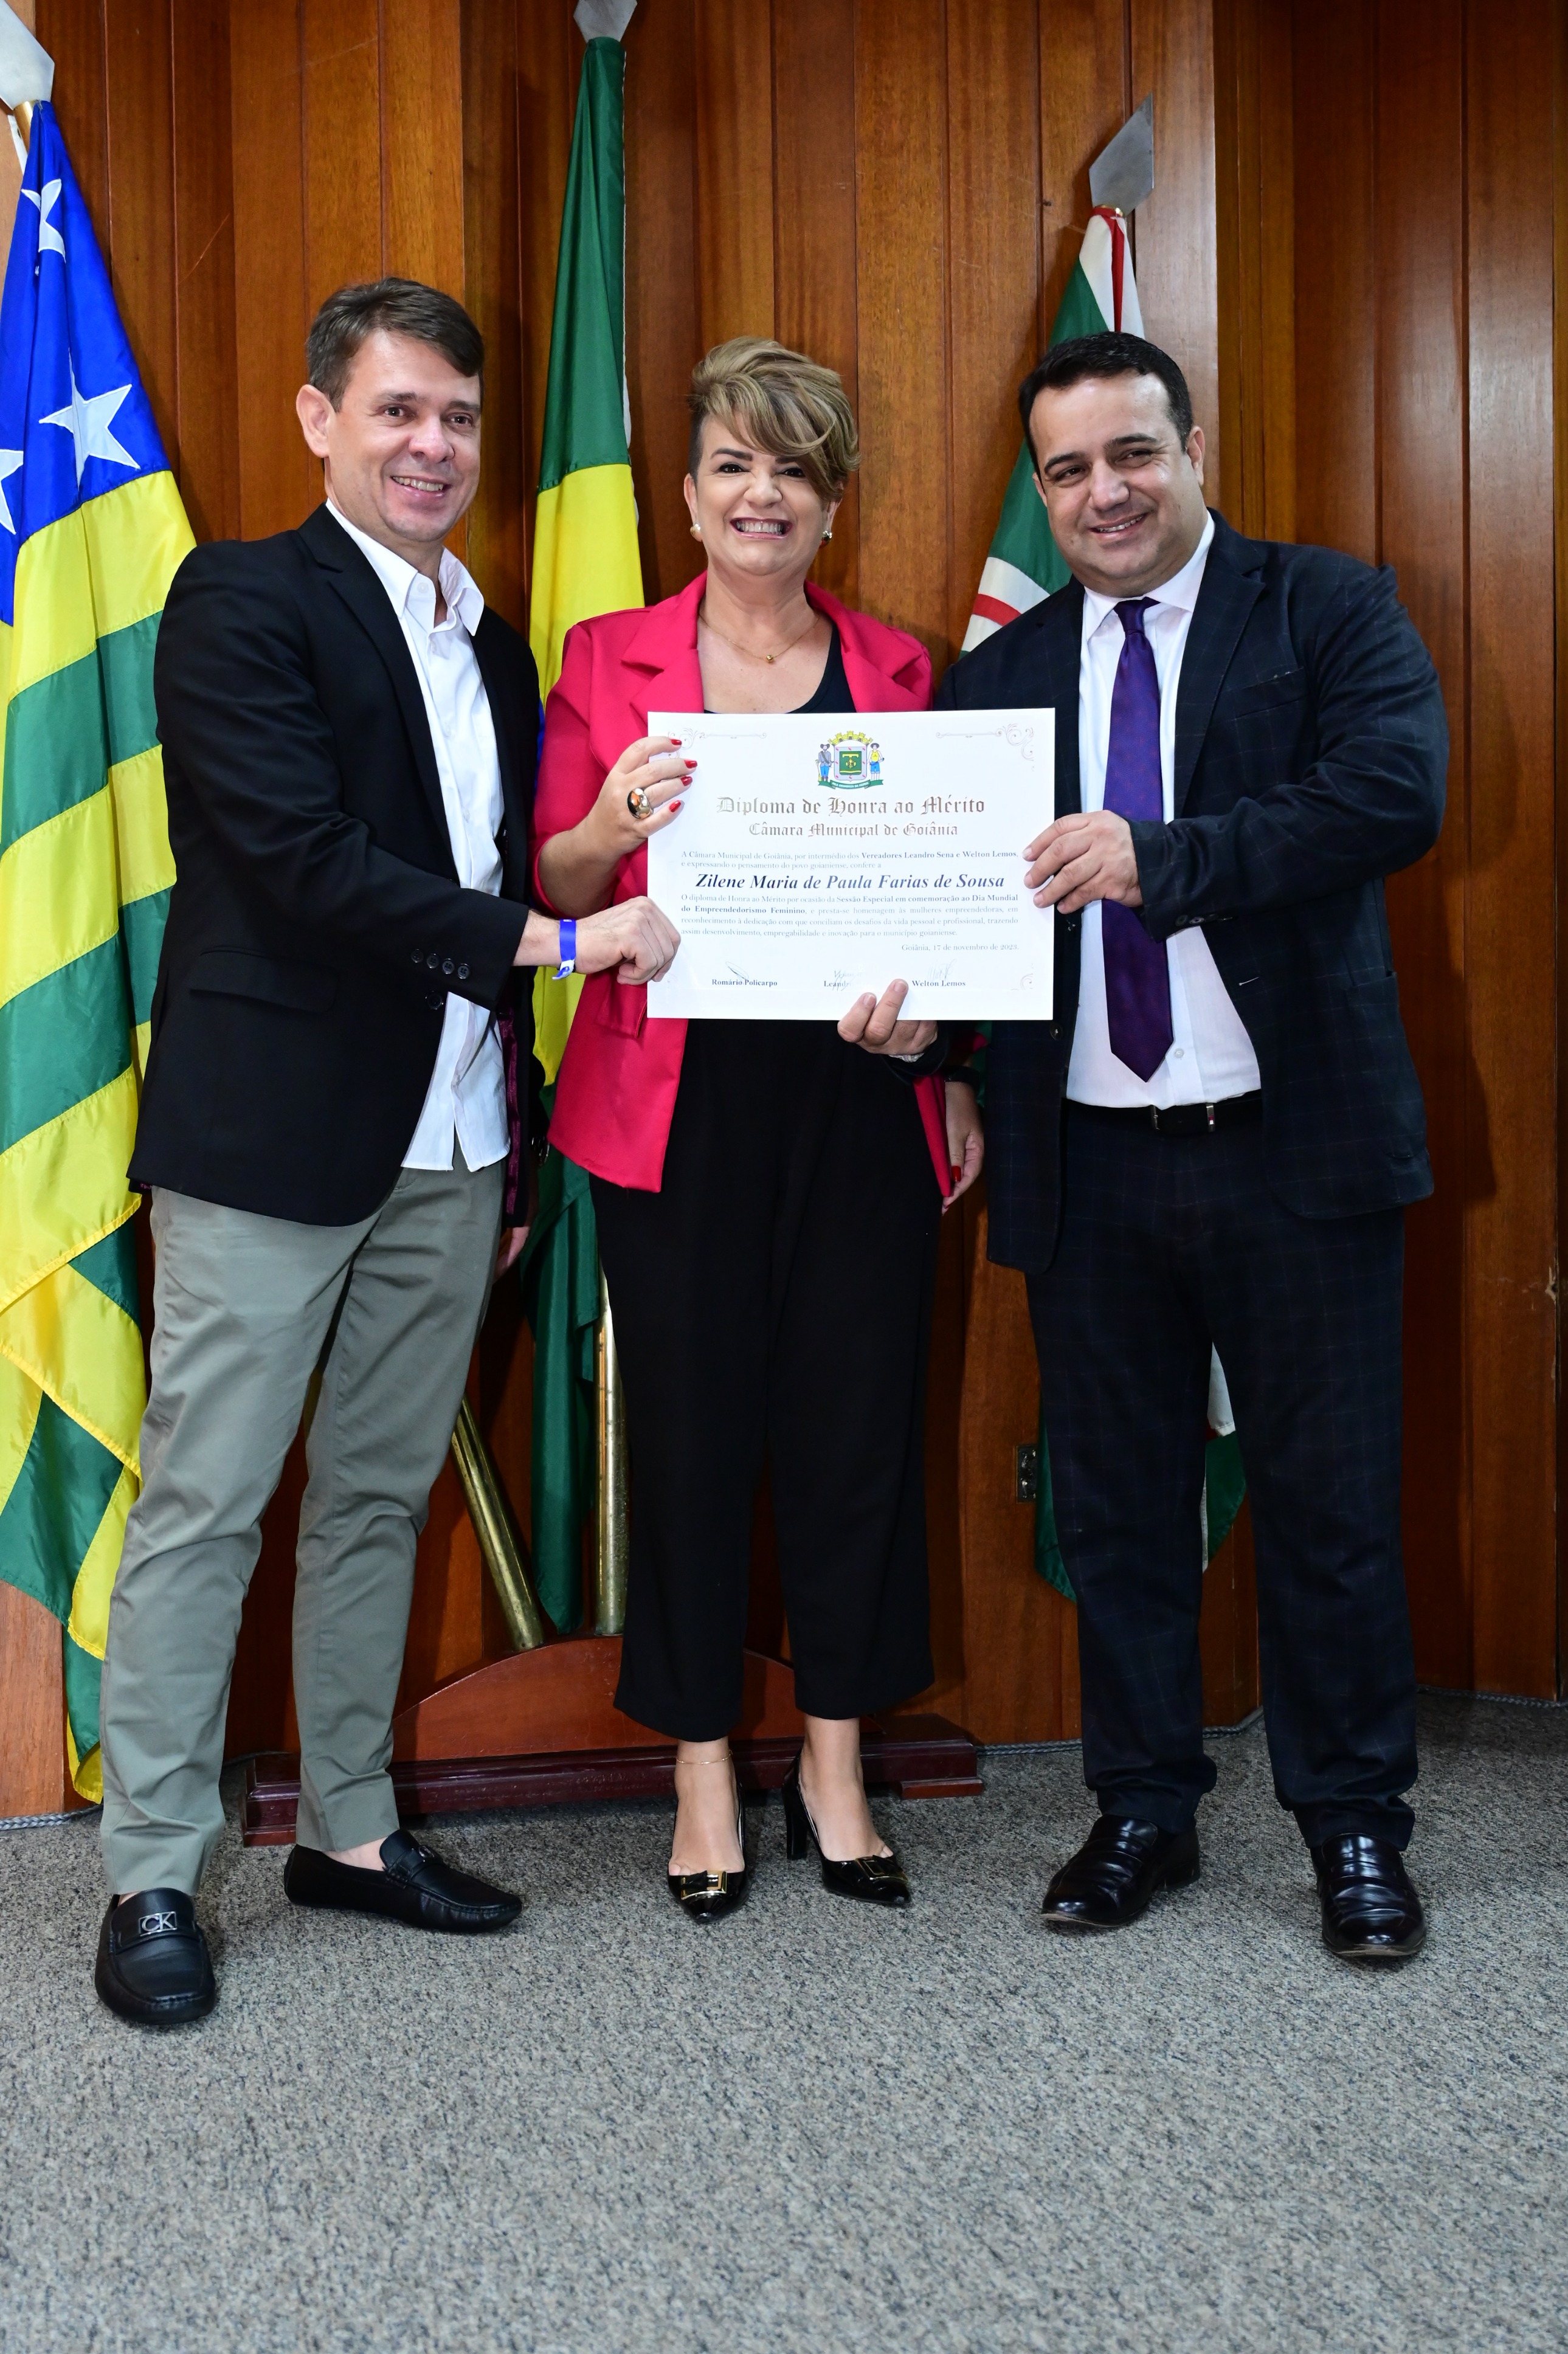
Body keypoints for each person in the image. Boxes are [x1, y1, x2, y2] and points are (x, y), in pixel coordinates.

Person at [93, 279, 678, 2027]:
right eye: (399, 410)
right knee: (207, 1504)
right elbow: (300, 861)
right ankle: (149, 1872)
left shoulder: (491, 646)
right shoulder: (240, 597)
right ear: (319, 420)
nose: (434, 446)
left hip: (457, 1138)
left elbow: (482, 873)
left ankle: (350, 1833)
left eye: (459, 419)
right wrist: (561, 946)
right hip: (272, 1137)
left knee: (374, 1499)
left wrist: (527, 1114)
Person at [938, 331, 1446, 1966]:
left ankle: (1353, 1824)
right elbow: (966, 921)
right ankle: (1143, 1806)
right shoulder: (999, 679)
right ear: (1042, 492)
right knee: (1118, 1510)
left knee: (1329, 1510)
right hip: (1086, 1160)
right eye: (1068, 470)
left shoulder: (1324, 608)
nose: (1104, 492)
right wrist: (914, 1031)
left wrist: (1166, 858)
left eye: (1131, 453)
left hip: (1292, 1149)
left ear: (1193, 448)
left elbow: (1392, 794)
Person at [533, 337, 983, 1920]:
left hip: (861, 1100)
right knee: (691, 1434)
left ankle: (837, 1762)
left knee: (858, 1431)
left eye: (794, 468)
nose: (761, 494)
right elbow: (555, 883)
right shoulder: (606, 658)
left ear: (833, 501)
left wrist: (950, 1061)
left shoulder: (903, 667)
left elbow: (950, 898)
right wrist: (612, 822)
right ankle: (702, 1767)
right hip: (674, 1106)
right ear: (687, 493)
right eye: (733, 463)